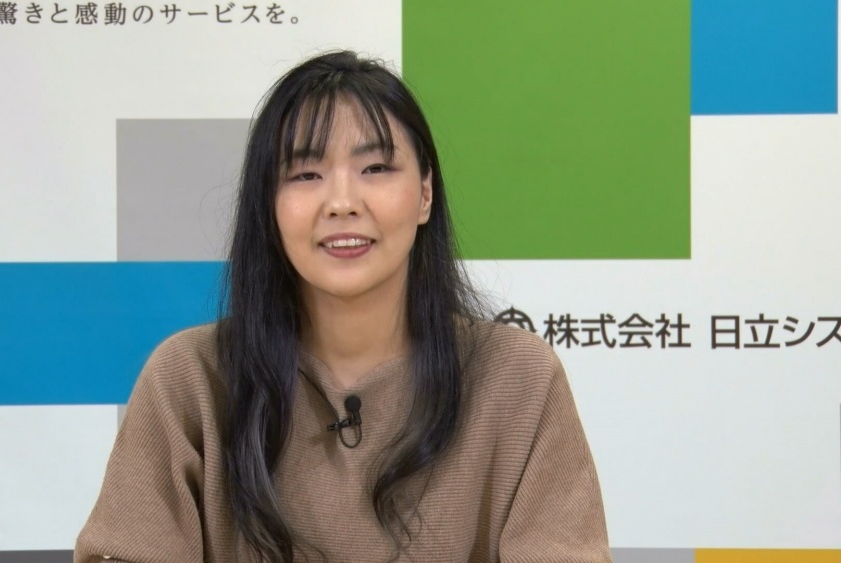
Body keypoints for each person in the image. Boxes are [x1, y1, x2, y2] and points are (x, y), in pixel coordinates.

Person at [74, 50, 610, 563]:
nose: (342, 203)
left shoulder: (518, 378)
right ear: (269, 204)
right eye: (306, 175)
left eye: (375, 168)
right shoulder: (191, 377)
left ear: (425, 194)